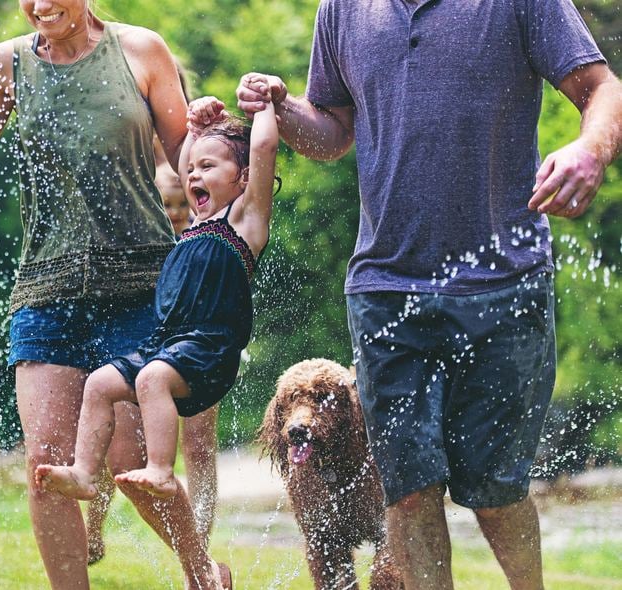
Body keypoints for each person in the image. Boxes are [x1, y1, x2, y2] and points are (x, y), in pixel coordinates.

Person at [236, 0, 622, 587]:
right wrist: (283, 107)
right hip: (386, 287)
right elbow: (334, 133)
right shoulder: (341, 8)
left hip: (504, 283)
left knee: (495, 491)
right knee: (409, 491)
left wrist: (589, 151)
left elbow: (603, 88)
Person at [0, 2, 230, 588]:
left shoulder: (141, 51)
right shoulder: (7, 65)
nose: (41, 6)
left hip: (140, 287)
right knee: (45, 466)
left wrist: (210, 143)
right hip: (46, 289)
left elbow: (188, 162)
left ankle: (203, 573)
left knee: (129, 462)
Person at [34, 91, 279, 567]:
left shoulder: (244, 222)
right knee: (101, 382)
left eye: (209, 168)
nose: (194, 175)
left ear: (244, 178)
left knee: (150, 379)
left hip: (207, 351)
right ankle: (86, 473)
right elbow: (183, 160)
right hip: (165, 346)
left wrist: (262, 106)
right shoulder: (189, 225)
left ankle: (163, 471)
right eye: (191, 170)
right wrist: (193, 127)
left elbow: (264, 148)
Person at [84, 138, 222, 565]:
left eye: (183, 203)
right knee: (116, 446)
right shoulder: (141, 223)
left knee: (200, 445)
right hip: (141, 343)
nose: (177, 212)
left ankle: (197, 545)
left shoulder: (205, 231)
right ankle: (93, 530)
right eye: (167, 204)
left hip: (197, 344)